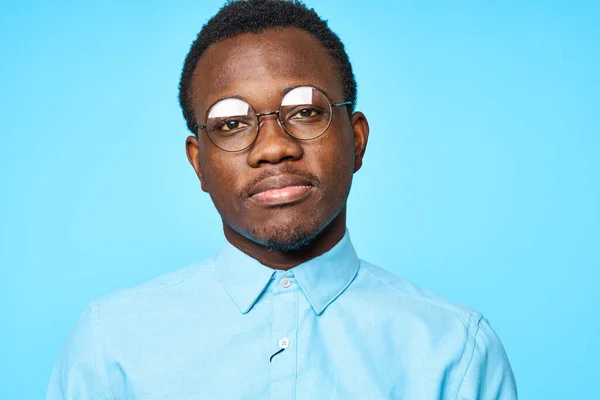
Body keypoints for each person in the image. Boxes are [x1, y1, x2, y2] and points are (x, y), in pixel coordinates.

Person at [47, 0, 517, 399]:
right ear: (198, 163)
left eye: (306, 111)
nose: (274, 147)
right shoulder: (110, 346)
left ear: (357, 140)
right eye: (231, 123)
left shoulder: (456, 351)